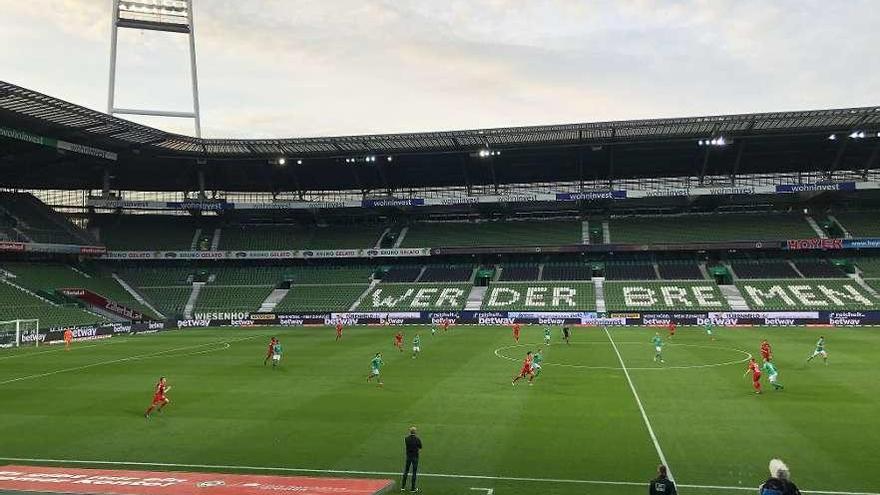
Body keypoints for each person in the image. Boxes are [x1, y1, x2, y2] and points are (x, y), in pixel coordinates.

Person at [401, 426, 422, 492]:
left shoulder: (406, 439)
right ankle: (413, 488)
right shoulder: (417, 439)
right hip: (415, 457)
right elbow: (420, 447)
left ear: (410, 432)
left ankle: (403, 487)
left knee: (406, 471)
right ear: (415, 432)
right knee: (414, 472)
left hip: (408, 457)